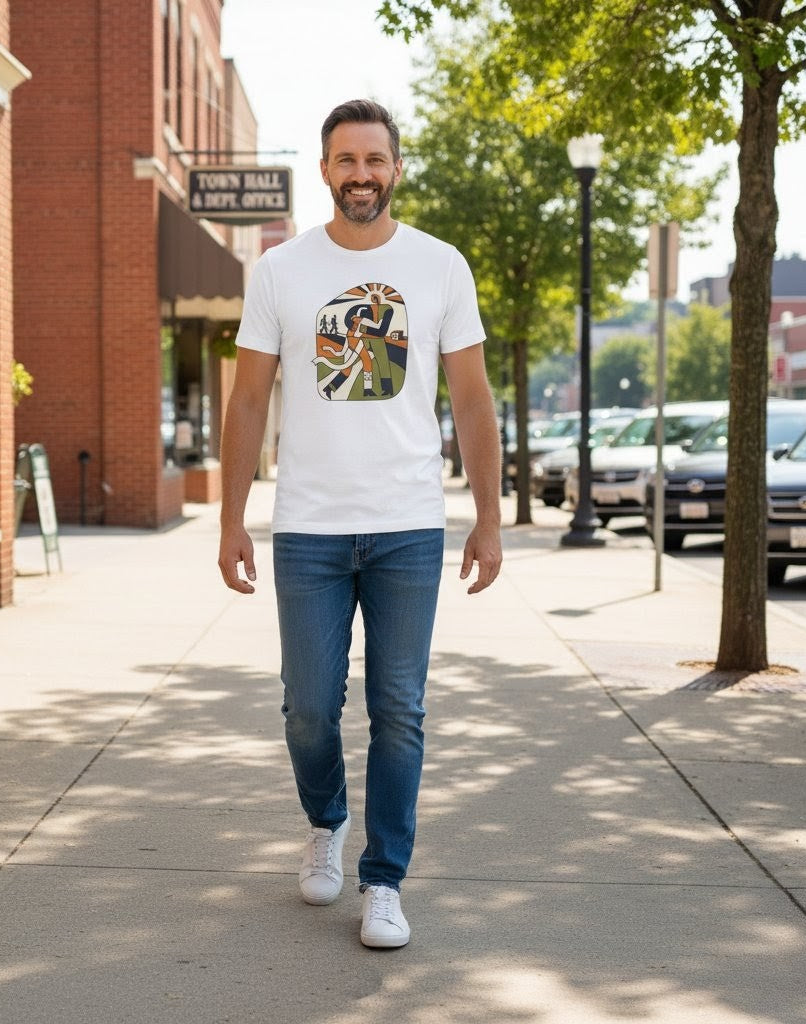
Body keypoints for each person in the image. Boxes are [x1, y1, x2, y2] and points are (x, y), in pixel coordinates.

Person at [218, 98, 502, 949]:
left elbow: (472, 398)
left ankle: (384, 880)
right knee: (307, 706)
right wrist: (231, 518)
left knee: (399, 709)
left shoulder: (441, 266)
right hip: (307, 526)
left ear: (397, 168)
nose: (361, 175)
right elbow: (247, 398)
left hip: (409, 525)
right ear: (325, 171)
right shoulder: (281, 270)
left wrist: (489, 518)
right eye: (346, 161)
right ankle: (326, 820)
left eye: (375, 160)